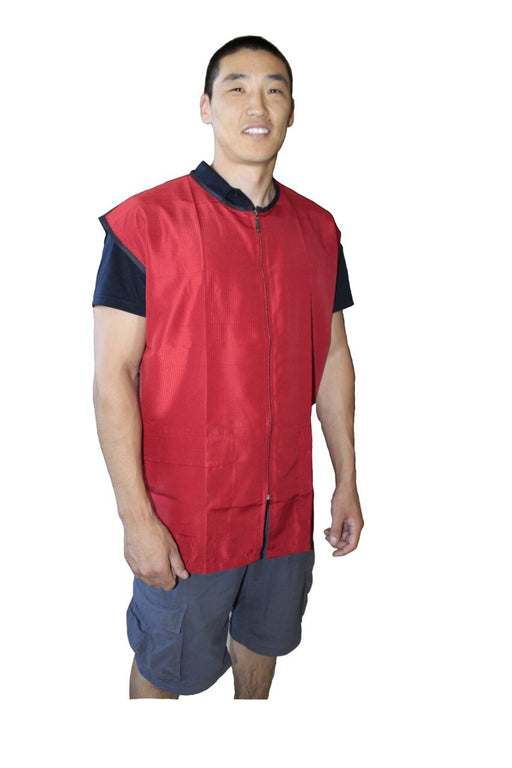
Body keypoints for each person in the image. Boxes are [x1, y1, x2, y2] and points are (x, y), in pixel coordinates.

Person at [92, 35, 364, 700]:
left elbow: (332, 358)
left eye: (274, 89)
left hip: (287, 508)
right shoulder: (145, 225)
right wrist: (136, 520)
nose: (257, 104)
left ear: (292, 110)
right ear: (205, 107)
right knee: (166, 668)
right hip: (188, 516)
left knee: (263, 647)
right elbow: (112, 378)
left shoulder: (319, 231)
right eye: (236, 87)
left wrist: (347, 479)